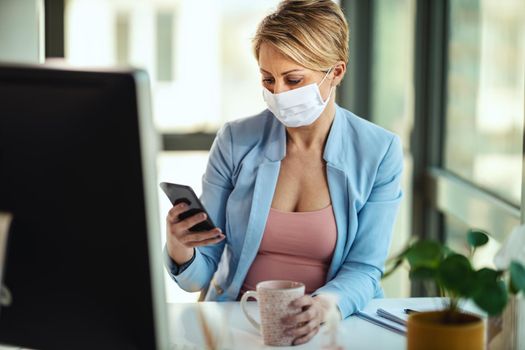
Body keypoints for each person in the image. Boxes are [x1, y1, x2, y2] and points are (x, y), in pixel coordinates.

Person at [163, 0, 403, 345]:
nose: (278, 94)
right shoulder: (235, 141)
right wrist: (180, 249)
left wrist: (323, 307)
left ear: (335, 72)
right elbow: (200, 275)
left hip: (330, 325)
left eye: (293, 79)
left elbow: (364, 268)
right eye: (268, 79)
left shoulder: (379, 152)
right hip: (238, 321)